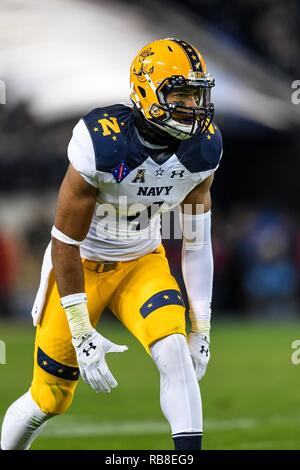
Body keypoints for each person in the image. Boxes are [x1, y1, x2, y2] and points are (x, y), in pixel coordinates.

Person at [0, 38, 222, 450]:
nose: (193, 105)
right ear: (147, 92)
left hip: (142, 260)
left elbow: (196, 240)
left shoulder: (202, 148)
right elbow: (64, 241)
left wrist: (202, 327)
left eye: (197, 93)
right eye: (180, 93)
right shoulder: (103, 141)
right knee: (48, 399)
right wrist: (82, 330)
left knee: (174, 348)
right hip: (80, 267)